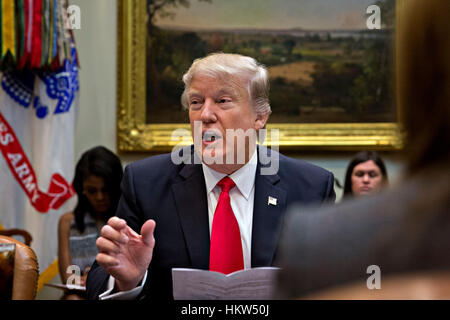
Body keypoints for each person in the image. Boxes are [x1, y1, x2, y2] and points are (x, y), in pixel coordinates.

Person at [86, 53, 336, 300]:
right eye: (196, 102)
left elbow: (335, 285)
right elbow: (98, 280)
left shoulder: (311, 188)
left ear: (259, 117)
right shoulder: (144, 183)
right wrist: (126, 281)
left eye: (223, 100)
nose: (205, 115)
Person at [276, 0, 450, 299]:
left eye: (372, 174)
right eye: (360, 174)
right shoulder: (329, 233)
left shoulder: (326, 240)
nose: (366, 181)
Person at [58, 146, 123, 300]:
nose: (100, 197)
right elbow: (68, 278)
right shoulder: (68, 222)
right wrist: (80, 280)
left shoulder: (127, 219)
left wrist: (95, 278)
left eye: (105, 190)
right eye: (92, 191)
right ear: (82, 190)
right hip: (81, 295)